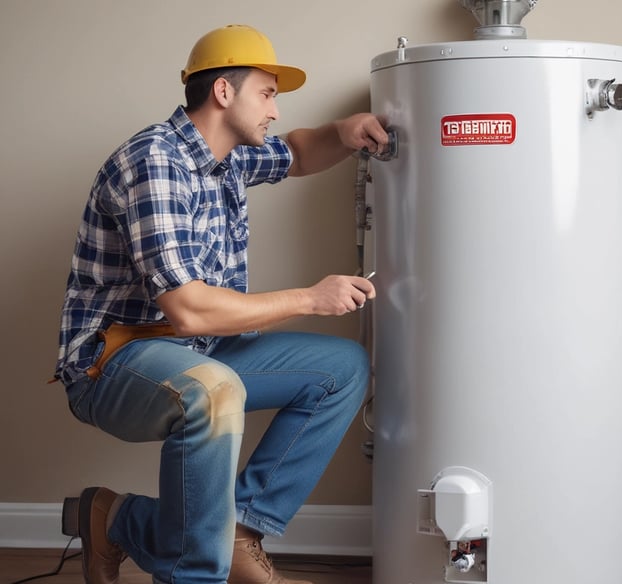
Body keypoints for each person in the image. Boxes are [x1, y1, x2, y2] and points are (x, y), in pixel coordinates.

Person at [54, 24, 387, 584]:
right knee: (214, 389)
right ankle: (198, 575)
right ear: (224, 93)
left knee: (341, 370)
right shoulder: (154, 162)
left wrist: (344, 130)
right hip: (111, 363)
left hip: (197, 351)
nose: (275, 111)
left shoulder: (226, 158)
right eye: (268, 92)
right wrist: (310, 297)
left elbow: (300, 153)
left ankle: (227, 532)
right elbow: (187, 310)